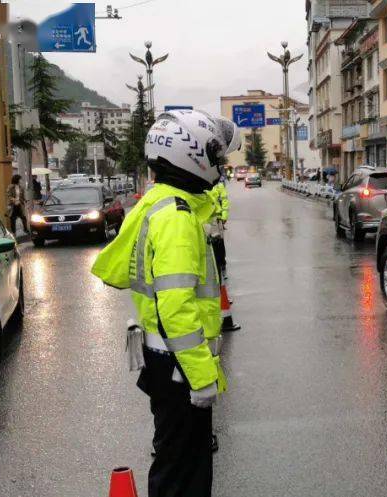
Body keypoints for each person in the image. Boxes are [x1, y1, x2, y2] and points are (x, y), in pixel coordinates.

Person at [91, 110, 237, 497]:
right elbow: (176, 308)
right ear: (190, 154)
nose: (219, 166)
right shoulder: (177, 216)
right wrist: (202, 377)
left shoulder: (159, 202)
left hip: (166, 361)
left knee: (177, 463)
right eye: (214, 156)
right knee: (182, 473)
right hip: (179, 367)